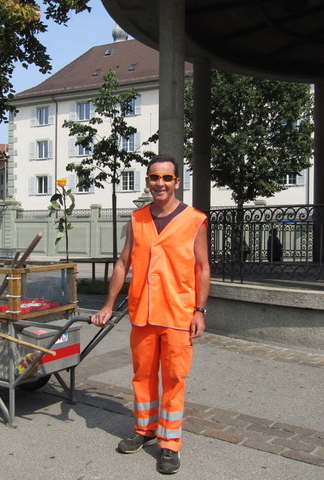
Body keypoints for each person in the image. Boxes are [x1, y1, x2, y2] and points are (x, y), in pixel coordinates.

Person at [91, 154, 210, 475]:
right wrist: (106, 305)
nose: (160, 183)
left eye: (166, 178)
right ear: (148, 181)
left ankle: (169, 444)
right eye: (154, 177)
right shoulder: (137, 218)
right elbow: (122, 263)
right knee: (142, 376)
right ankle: (144, 430)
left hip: (178, 313)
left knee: (173, 379)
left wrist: (200, 309)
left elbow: (202, 267)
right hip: (142, 313)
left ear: (176, 182)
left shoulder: (194, 219)